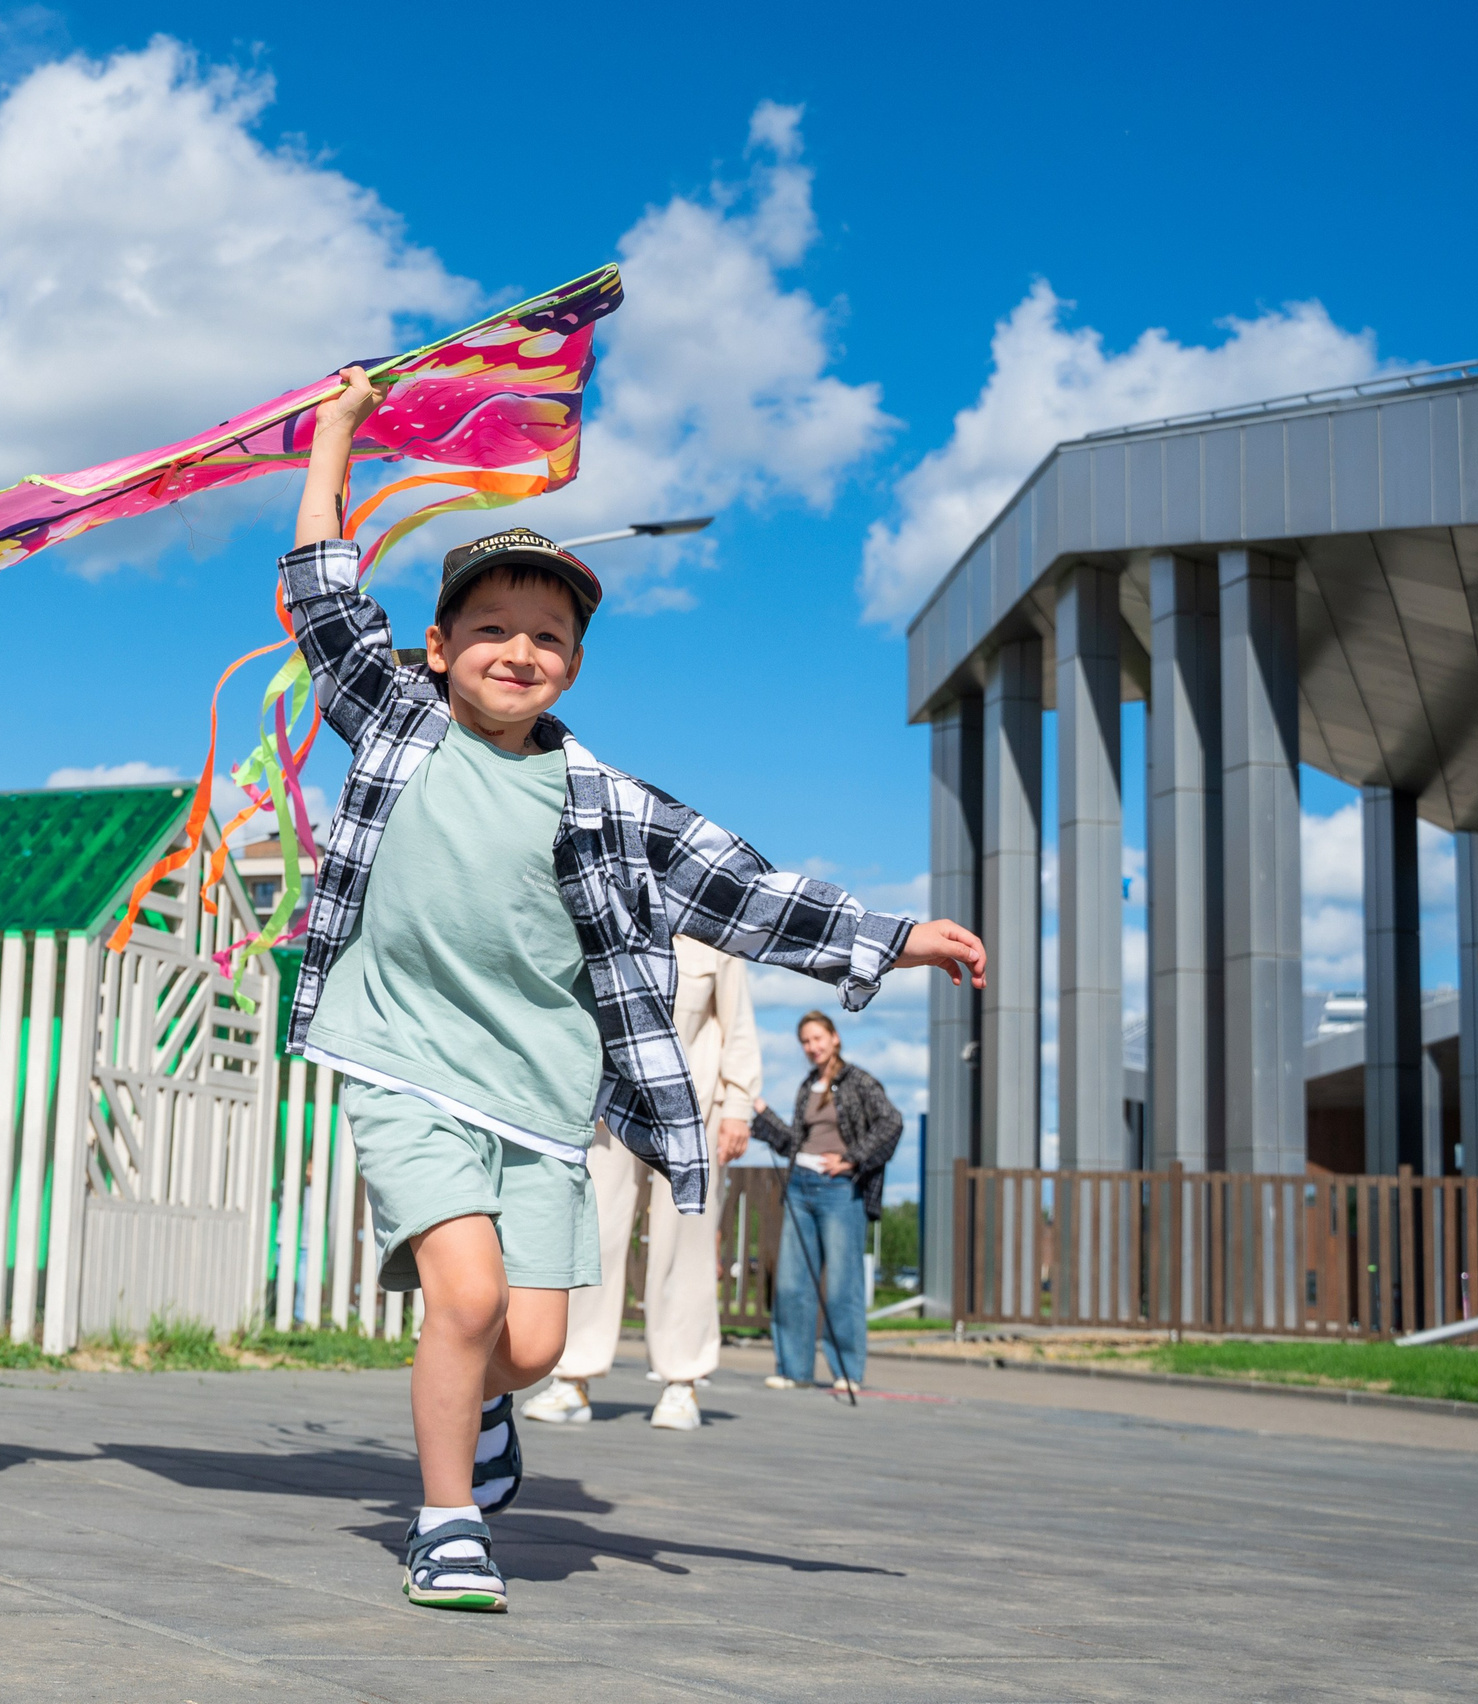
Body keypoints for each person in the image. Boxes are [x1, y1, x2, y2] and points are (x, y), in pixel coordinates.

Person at [279, 367, 985, 1613]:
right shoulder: (395, 724)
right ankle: (445, 1522)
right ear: (437, 647)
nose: (518, 650)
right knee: (468, 1294)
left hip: (542, 1095)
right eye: (489, 627)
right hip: (404, 1065)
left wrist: (894, 935)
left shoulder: (604, 800)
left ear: (574, 666)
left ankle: (486, 1417)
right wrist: (336, 431)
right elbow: (324, 596)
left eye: (547, 637)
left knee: (535, 1345)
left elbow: (746, 892)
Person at [525, 939, 759, 1431]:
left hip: (692, 1109)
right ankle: (573, 1376)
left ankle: (682, 1382)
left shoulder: (712, 931)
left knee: (684, 1247)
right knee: (596, 1237)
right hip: (609, 1104)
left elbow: (737, 1025)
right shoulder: (607, 911)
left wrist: (738, 1106)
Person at [754, 1012, 903, 1396]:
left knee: (842, 1284)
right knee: (791, 1283)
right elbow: (794, 1142)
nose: (812, 1047)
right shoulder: (807, 1086)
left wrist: (853, 1158)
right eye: (805, 1041)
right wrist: (762, 1116)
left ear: (835, 1038)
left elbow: (891, 1122)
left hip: (839, 1189)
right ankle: (793, 1369)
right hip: (800, 1186)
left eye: (818, 1038)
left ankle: (847, 1371)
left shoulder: (859, 1081)